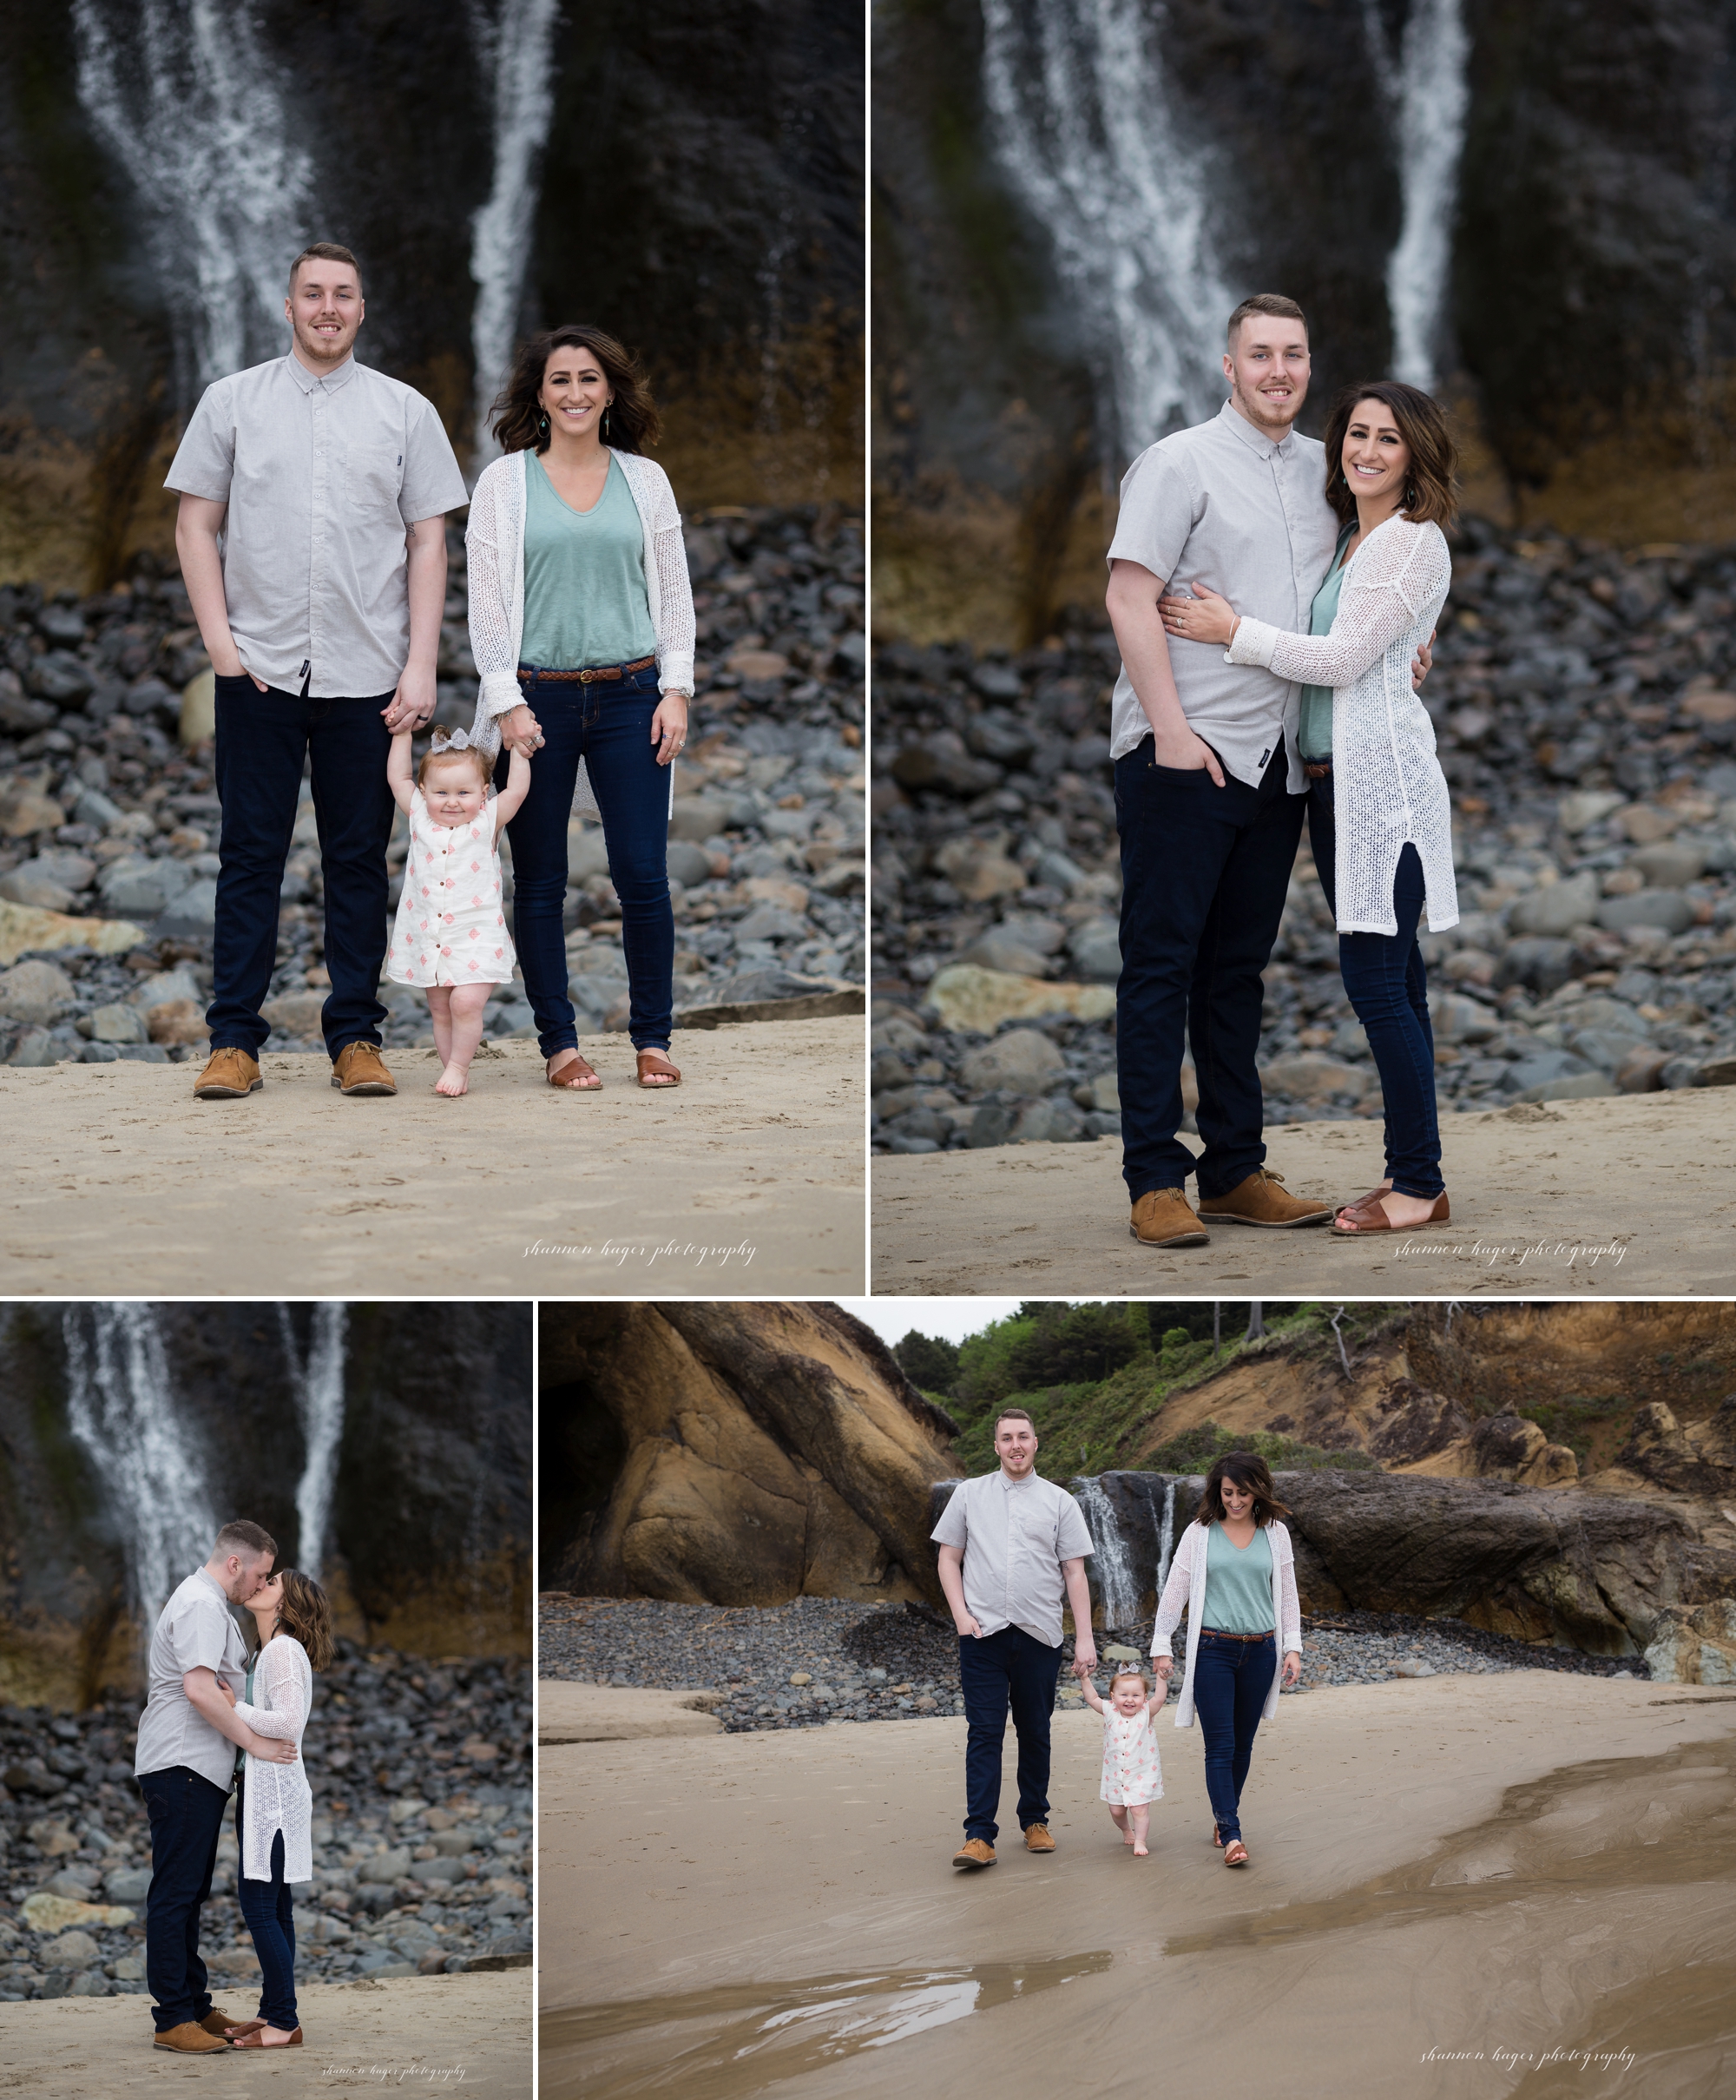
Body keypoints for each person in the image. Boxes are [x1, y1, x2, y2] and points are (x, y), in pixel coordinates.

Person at [170, 241, 470, 1103]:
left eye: (343, 294)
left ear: (362, 308)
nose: (328, 308)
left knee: (357, 859)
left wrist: (419, 667)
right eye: (313, 294)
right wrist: (222, 650)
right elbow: (196, 526)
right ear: (290, 305)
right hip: (257, 671)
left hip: (370, 676)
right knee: (248, 855)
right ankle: (233, 1044)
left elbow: (427, 541)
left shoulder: (404, 412)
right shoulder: (231, 403)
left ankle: (356, 1039)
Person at [1159, 382, 1459, 1232]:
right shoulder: (1354, 540)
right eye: (1355, 433)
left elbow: (1340, 659)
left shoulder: (1407, 541)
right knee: (1396, 981)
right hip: (1332, 789)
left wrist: (1232, 632)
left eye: (1386, 440)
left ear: (1415, 456)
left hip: (1383, 793)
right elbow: (1373, 649)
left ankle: (1414, 1185)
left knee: (1376, 984)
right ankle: (1418, 1177)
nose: (1365, 450)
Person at [464, 324, 696, 1092]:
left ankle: (653, 1040)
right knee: (539, 881)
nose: (574, 392)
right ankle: (559, 1046)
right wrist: (506, 704)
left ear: (610, 391)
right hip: (536, 703)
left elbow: (674, 593)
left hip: (634, 695)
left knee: (643, 877)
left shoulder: (646, 480)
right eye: (559, 379)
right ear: (539, 394)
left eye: (588, 378)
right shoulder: (503, 484)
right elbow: (487, 606)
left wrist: (677, 689)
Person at [133, 1522, 299, 2055]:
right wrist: (257, 1742)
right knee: (176, 1891)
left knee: (189, 1890)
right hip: (181, 1764)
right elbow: (201, 1691)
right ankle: (172, 2018)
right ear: (235, 1564)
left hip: (193, 1768)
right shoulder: (202, 1605)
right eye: (262, 1573)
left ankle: (195, 2005)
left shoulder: (206, 1602)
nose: (261, 1584)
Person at [930, 1407, 1096, 1869]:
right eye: (1007, 1438)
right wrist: (961, 1616)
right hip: (982, 1636)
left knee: (1036, 1731)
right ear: (997, 1446)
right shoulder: (968, 1494)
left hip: (1040, 1635)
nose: (1015, 1445)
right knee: (983, 1732)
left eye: (1023, 1436)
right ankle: (979, 1835)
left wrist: (1084, 1638)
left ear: (1036, 1442)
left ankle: (1034, 1821)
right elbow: (948, 1559)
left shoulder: (1060, 1501)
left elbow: (1074, 1572)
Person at [1149, 1454, 1302, 1869]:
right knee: (1220, 1744)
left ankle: (1222, 1818)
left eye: (1243, 1493)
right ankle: (1232, 1833)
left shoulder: (1276, 1534)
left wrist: (1293, 1647)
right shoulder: (1200, 1533)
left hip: (1261, 1651)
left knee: (1243, 1745)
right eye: (1228, 1493)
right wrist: (1161, 1643)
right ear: (1218, 1491)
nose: (1235, 1501)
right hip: (1212, 1650)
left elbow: (1287, 1594)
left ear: (1259, 1491)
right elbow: (1175, 1590)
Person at [214, 1567, 335, 2049]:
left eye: (272, 1583)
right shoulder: (273, 1652)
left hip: (275, 1800)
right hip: (273, 1793)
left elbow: (288, 1722)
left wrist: (233, 1705)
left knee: (260, 1908)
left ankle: (284, 2021)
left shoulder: (283, 1651)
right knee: (276, 1908)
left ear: (287, 1604)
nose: (260, 1585)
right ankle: (276, 2015)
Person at [385, 726, 532, 1095]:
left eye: (464, 793)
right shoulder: (419, 817)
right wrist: (402, 736)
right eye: (441, 792)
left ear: (483, 795)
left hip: (477, 936)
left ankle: (458, 1066)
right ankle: (452, 1071)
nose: (452, 802)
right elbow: (397, 776)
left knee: (466, 1002)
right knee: (439, 1009)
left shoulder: (486, 822)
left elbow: (515, 791)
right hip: (429, 935)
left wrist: (519, 751)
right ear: (423, 793)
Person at [1078, 1663, 1167, 1855]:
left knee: (1139, 1810)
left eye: (1136, 1695)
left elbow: (1159, 1698)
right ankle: (1127, 1830)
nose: (1129, 1700)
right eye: (1123, 1695)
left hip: (1143, 1772)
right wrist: (1085, 1678)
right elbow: (1092, 1698)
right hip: (1115, 1774)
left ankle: (1141, 1841)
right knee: (1117, 1811)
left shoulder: (1146, 1712)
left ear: (1144, 1697)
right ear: (1112, 1696)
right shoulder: (1109, 1710)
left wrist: (1162, 1678)